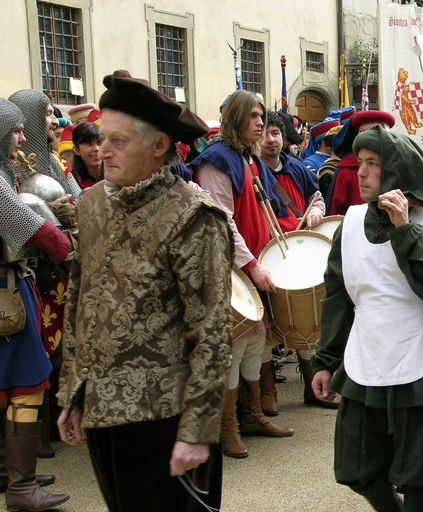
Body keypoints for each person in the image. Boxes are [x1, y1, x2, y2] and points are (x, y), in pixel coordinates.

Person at [57, 70, 234, 511]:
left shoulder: (193, 217)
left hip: (164, 417)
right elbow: (80, 300)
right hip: (103, 410)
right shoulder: (92, 203)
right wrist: (72, 394)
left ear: (159, 147)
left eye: (119, 141)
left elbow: (211, 332)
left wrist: (197, 430)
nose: (102, 152)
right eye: (101, 139)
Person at [311, 126, 423, 512]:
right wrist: (326, 360)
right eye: (361, 164)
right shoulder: (350, 223)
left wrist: (405, 229)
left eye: (374, 164)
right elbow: (338, 296)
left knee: (420, 474)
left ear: (399, 170)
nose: (362, 173)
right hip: (364, 356)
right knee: (358, 469)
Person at [192, 90, 294, 459]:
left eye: (261, 116)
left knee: (256, 341)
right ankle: (226, 426)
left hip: (251, 264)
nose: (260, 122)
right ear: (235, 118)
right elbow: (221, 223)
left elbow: (268, 208)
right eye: (252, 115)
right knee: (233, 347)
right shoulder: (216, 161)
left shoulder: (246, 158)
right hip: (229, 269)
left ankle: (251, 416)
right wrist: (250, 265)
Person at [1, 97, 72, 512]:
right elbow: (34, 229)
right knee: (26, 386)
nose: (22, 138)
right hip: (6, 291)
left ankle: (10, 470)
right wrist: (67, 249)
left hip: (11, 285)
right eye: (15, 131)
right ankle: (21, 487)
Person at [259, 111, 333, 410]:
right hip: (263, 254)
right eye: (264, 133)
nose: (270, 140)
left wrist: (315, 212)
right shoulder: (250, 171)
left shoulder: (296, 168)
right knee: (263, 327)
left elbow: (316, 198)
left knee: (305, 318)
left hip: (296, 251)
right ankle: (266, 392)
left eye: (275, 133)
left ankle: (311, 383)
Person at [325, 110, 396, 215]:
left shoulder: (398, 165)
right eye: (362, 133)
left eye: (373, 132)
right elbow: (335, 214)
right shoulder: (346, 169)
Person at [70, 121, 102, 189]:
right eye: (89, 144)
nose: (96, 149)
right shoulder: (71, 181)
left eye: (99, 143)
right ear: (77, 150)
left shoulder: (118, 174)